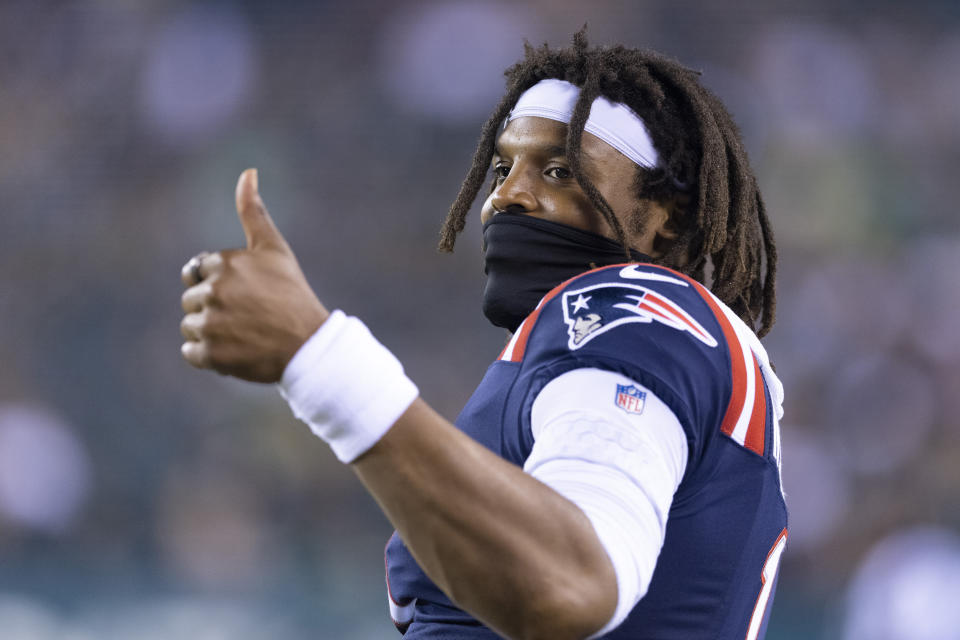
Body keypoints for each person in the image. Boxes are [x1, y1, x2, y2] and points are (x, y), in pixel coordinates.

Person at [179, 32, 787, 640]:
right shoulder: (634, 341)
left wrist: (316, 356)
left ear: (664, 218)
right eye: (502, 168)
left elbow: (570, 585)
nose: (507, 194)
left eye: (558, 170)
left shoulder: (632, 312)